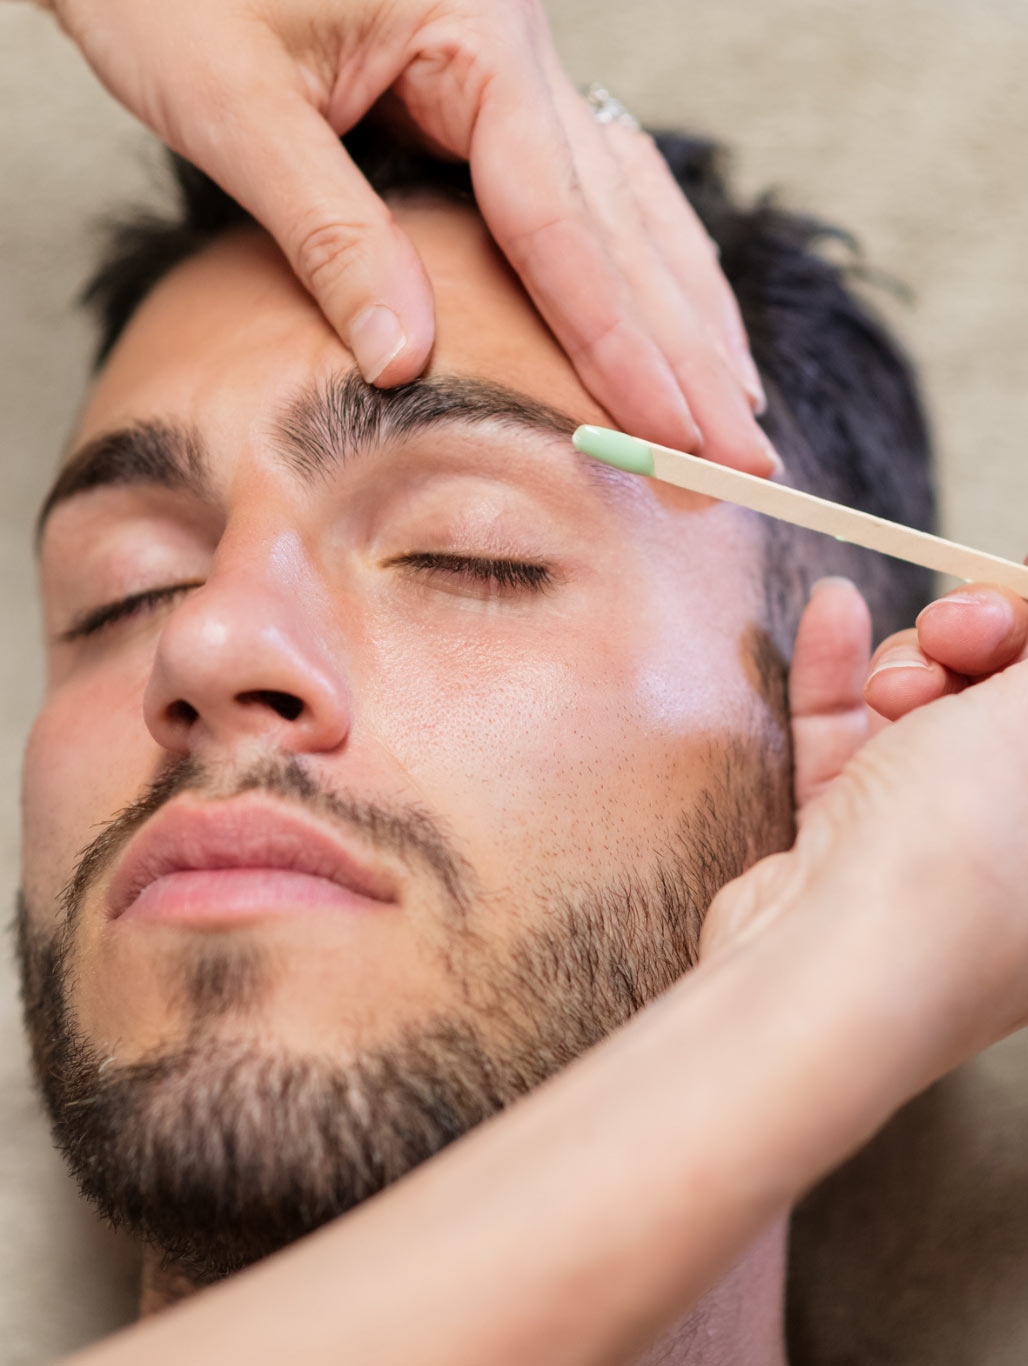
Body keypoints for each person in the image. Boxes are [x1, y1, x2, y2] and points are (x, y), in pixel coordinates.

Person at [13, 5, 1028, 1365]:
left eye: (465, 552)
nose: (204, 644)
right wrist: (859, 971)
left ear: (839, 756)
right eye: (126, 589)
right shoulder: (866, 961)